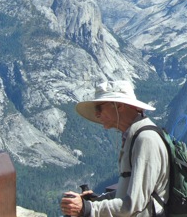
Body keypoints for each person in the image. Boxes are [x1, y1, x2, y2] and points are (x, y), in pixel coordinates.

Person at [60, 81, 168, 217]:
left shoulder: (145, 139)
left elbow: (134, 204)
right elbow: (130, 190)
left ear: (119, 106)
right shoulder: (134, 136)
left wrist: (88, 208)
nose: (97, 114)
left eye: (99, 108)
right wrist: (97, 199)